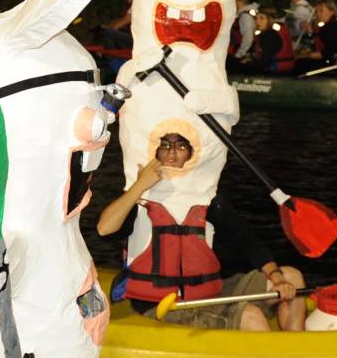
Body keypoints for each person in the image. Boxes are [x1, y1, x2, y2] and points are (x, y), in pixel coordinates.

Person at [95, 134, 306, 331]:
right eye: (165, 145)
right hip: (161, 307)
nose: (171, 152)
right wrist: (139, 185)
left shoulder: (207, 200)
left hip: (208, 294)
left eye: (180, 146)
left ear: (190, 154)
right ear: (155, 152)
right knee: (251, 317)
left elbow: (248, 243)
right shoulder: (138, 199)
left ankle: (297, 348)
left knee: (293, 278)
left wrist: (277, 278)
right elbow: (104, 228)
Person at [301, 1, 337, 70]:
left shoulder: (335, 27)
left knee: (301, 63)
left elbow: (328, 53)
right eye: (316, 11)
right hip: (332, 60)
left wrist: (306, 56)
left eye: (321, 11)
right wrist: (310, 32)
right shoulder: (325, 27)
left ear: (332, 12)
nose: (317, 14)